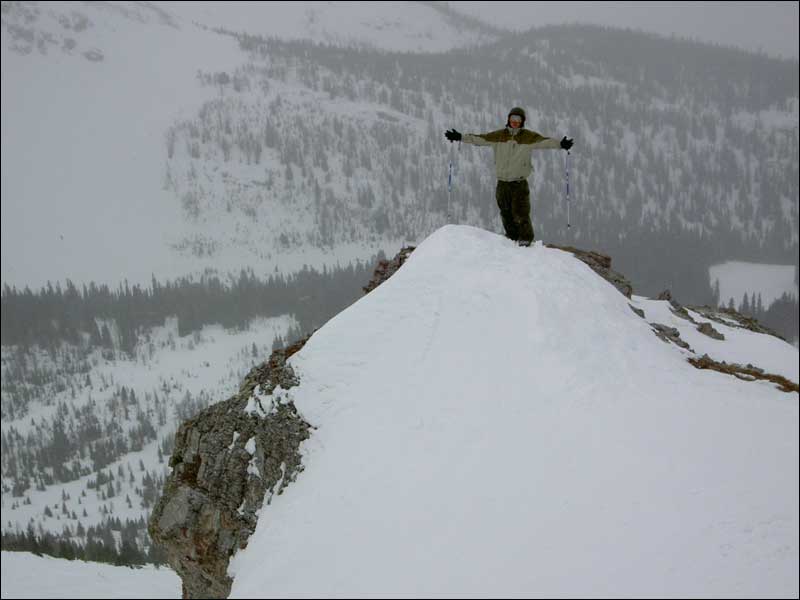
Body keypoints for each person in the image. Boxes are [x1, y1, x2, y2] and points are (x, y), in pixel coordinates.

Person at [445, 107, 573, 246]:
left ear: (522, 121)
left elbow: (545, 142)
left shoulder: (528, 137)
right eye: (513, 119)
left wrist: (561, 144)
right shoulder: (499, 136)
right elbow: (479, 139)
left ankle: (525, 240)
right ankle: (511, 239)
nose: (515, 122)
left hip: (519, 183)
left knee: (521, 213)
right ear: (508, 119)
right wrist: (460, 137)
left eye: (518, 120)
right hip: (502, 183)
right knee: (505, 213)